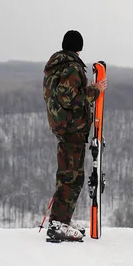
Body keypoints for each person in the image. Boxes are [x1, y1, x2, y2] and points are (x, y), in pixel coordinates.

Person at [42, 30, 108, 242]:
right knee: (71, 177)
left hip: (64, 128)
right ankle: (58, 225)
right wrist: (95, 90)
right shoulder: (71, 66)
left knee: (68, 176)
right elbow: (69, 97)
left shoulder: (57, 65)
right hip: (72, 130)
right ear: (78, 47)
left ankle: (62, 220)